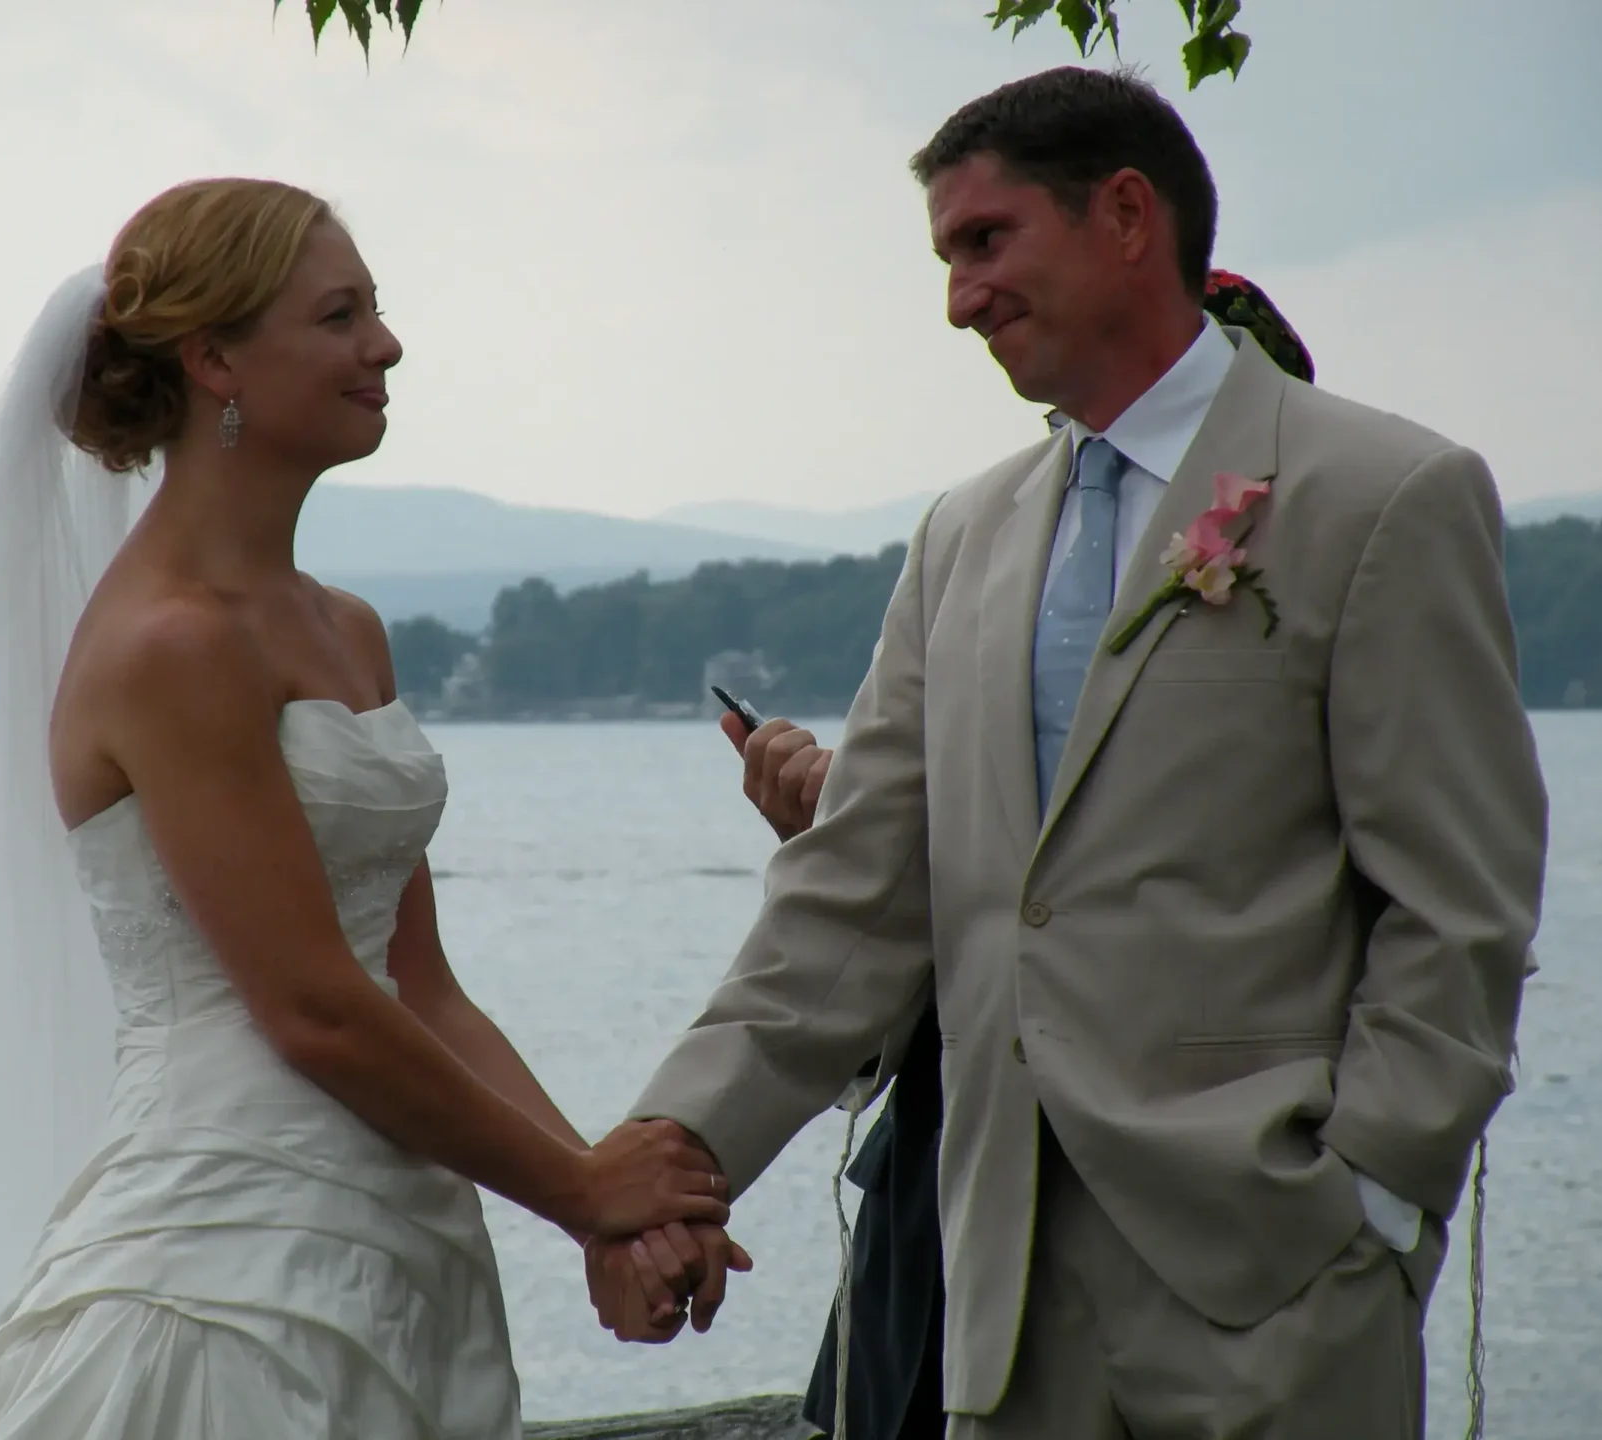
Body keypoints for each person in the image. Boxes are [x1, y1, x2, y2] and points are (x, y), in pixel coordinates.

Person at [593, 67, 1547, 1439]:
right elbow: (854, 897)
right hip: (997, 1311)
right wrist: (675, 1152)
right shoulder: (962, 538)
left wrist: (1369, 1201)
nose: (958, 299)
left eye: (986, 243)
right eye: (946, 258)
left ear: (1123, 215)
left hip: (1280, 1293)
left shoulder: (1385, 495)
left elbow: (1460, 903)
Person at [0, 178, 742, 1439]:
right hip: (223, 1266)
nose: (385, 346)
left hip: (400, 1237)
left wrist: (612, 1205)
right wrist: (579, 1191)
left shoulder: (349, 631)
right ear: (215, 358)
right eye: (339, 316)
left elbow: (416, 983)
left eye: (376, 311)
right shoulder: (171, 647)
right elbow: (313, 1009)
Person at [716, 269, 1322, 1440]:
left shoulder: (1327, 569)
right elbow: (949, 893)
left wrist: (1382, 1188)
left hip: (1221, 1213)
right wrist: (853, 839)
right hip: (952, 1173)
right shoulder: (989, 554)